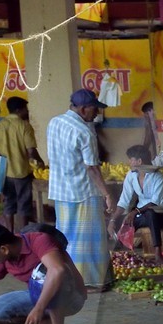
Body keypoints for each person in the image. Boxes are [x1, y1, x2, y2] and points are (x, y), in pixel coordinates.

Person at [45, 88, 112, 288]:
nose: (97, 114)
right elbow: (91, 167)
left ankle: (68, 279)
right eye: (95, 109)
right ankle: (89, 282)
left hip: (61, 191)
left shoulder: (54, 123)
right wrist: (106, 193)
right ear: (84, 109)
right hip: (83, 192)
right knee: (88, 241)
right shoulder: (84, 131)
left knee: (66, 237)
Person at [0, 95, 42, 227]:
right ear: (19, 110)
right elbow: (31, 151)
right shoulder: (24, 126)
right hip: (21, 172)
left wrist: (1, 154)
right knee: (24, 204)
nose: (27, 112)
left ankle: (9, 233)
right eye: (25, 109)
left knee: (9, 203)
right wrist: (40, 162)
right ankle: (23, 235)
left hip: (3, 172)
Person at [117, 143, 163, 258]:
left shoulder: (158, 177)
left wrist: (135, 211)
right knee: (125, 222)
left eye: (131, 160)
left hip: (159, 216)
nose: (129, 163)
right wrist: (113, 219)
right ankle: (122, 254)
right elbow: (124, 200)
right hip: (141, 216)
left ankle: (158, 253)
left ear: (139, 161)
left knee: (151, 213)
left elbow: (154, 203)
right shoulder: (131, 176)